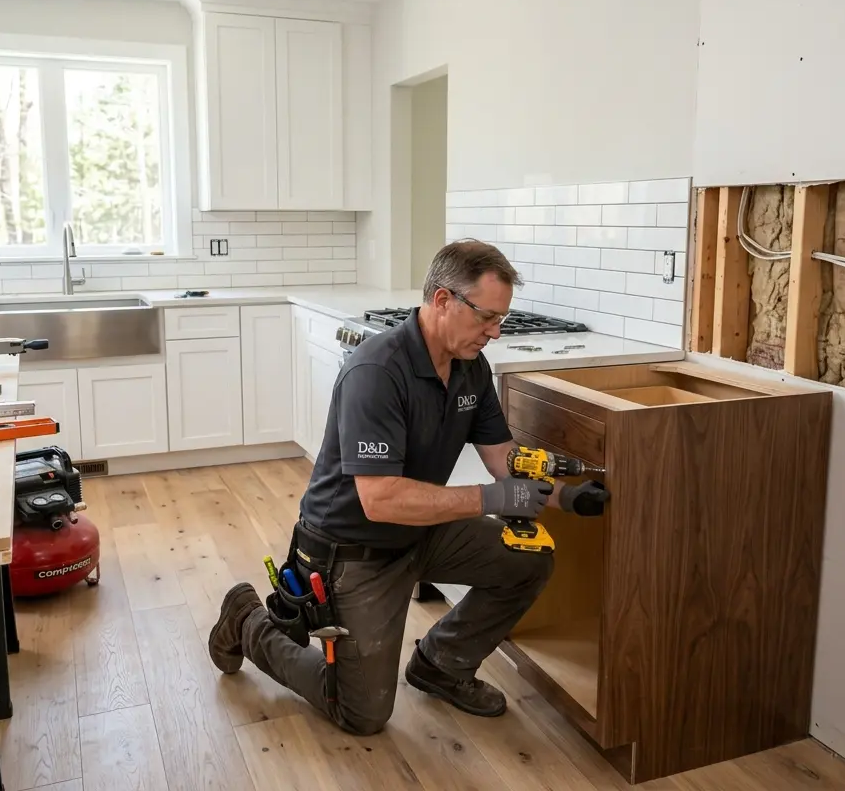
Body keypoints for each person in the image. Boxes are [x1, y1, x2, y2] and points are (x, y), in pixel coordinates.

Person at [206, 239, 610, 735]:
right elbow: (380, 500)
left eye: (501, 318)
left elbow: (502, 457)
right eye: (487, 317)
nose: (495, 331)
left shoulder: (471, 368)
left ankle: (441, 665)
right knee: (362, 713)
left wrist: (567, 496)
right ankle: (247, 619)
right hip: (352, 548)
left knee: (528, 557)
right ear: (442, 300)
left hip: (420, 531)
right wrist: (490, 498)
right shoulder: (378, 371)